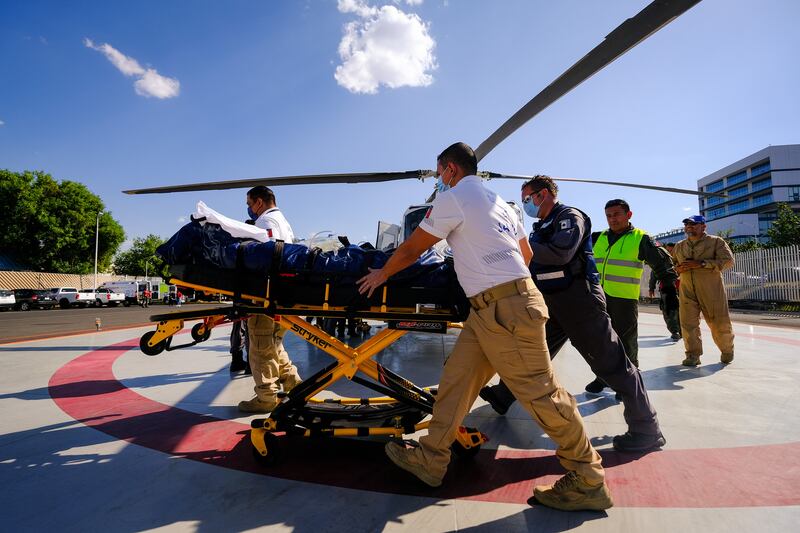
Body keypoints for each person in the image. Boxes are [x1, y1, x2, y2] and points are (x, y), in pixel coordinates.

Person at [358, 144, 612, 512]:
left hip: (505, 310)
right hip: (489, 310)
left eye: (440, 172)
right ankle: (431, 458)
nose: (441, 179)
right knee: (456, 382)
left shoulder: (455, 197)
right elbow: (525, 256)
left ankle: (588, 477)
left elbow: (413, 248)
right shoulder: (504, 206)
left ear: (448, 170)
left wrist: (383, 273)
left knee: (542, 394)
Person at [479, 177, 665, 453]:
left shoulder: (569, 217)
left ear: (543, 195)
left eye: (527, 197)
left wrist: (515, 248)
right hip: (554, 303)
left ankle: (646, 428)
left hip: (580, 302)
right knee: (532, 353)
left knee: (612, 364)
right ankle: (504, 395)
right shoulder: (540, 226)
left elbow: (560, 253)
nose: (525, 203)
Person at [583, 199, 678, 394]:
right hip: (597, 298)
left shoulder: (640, 238)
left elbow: (662, 263)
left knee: (626, 341)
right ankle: (602, 377)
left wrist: (668, 290)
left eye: (617, 214)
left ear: (629, 215)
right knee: (599, 340)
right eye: (609, 215)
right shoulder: (597, 237)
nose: (612, 219)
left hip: (624, 299)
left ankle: (627, 383)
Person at [239, 185, 302, 413]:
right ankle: (294, 385)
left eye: (249, 204)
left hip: (267, 296)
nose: (249, 209)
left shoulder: (266, 222)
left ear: (259, 202)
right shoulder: (282, 221)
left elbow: (267, 258)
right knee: (274, 344)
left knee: (260, 346)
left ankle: (266, 397)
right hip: (282, 295)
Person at [672, 215, 735, 366]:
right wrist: (677, 268)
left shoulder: (716, 242)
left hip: (711, 289)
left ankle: (727, 350)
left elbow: (728, 261)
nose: (689, 227)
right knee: (688, 324)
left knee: (719, 322)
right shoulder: (680, 246)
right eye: (687, 225)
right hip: (687, 289)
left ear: (703, 226)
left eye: (694, 224)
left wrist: (701, 263)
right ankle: (693, 355)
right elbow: (672, 264)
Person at [648, 242, 681, 341]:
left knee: (682, 311)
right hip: (666, 288)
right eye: (668, 250)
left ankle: (682, 331)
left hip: (682, 288)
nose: (670, 252)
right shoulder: (661, 259)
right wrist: (651, 287)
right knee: (669, 310)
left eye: (671, 250)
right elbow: (654, 274)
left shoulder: (681, 258)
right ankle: (675, 331)